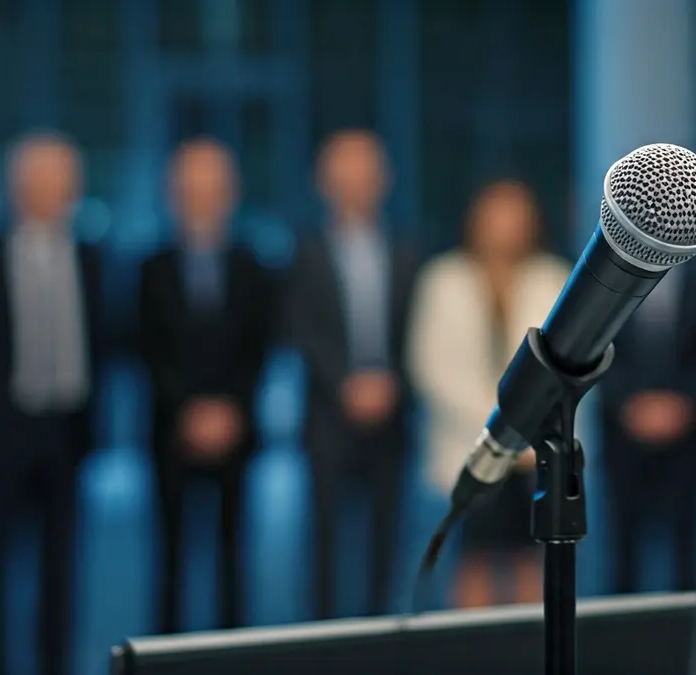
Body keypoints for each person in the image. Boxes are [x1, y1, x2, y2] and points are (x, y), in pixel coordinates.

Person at [0, 132, 103, 675]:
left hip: (66, 431)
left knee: (61, 569)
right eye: (38, 179)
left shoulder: (93, 256)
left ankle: (54, 663)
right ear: (15, 185)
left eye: (60, 179)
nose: (49, 190)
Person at [407, 180, 570, 607]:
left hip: (535, 454)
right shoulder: (443, 279)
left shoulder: (554, 278)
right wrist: (503, 421)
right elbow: (431, 366)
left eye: (515, 217)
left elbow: (567, 363)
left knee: (531, 562)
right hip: (468, 445)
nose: (505, 227)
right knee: (472, 561)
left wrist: (523, 427)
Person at [283, 129, 420, 619]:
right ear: (323, 182)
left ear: (385, 180)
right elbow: (301, 329)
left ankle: (383, 640)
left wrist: (391, 383)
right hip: (327, 419)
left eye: (366, 173)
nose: (356, 183)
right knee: (323, 548)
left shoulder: (408, 251)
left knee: (388, 544)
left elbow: (419, 330)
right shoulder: (303, 252)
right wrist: (346, 382)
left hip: (392, 418)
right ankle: (325, 645)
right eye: (345, 174)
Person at [138, 139, 272, 634]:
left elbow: (260, 346)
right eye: (190, 186)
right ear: (172, 192)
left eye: (212, 186)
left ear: (230, 193)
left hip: (236, 431)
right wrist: (188, 411)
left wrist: (230, 409)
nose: (201, 196)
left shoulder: (253, 265)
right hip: (170, 431)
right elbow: (147, 350)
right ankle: (167, 657)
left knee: (233, 557)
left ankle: (231, 651)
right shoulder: (148, 267)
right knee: (169, 559)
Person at [599, 203, 696, 596]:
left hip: (690, 434)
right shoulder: (604, 275)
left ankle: (687, 645)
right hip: (623, 433)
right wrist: (628, 404)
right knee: (622, 550)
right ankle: (622, 642)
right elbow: (595, 343)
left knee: (690, 550)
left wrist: (686, 405)